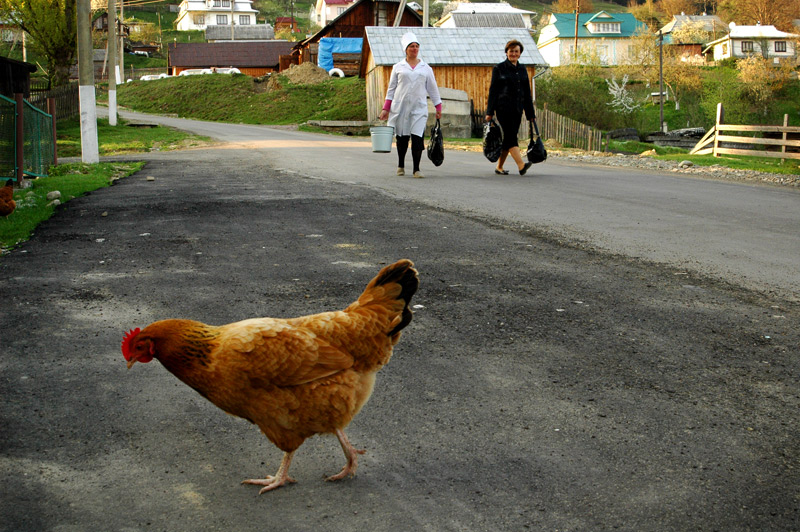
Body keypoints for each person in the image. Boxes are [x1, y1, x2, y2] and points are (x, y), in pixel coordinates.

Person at [379, 32, 443, 179]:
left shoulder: (425, 68)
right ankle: (401, 165)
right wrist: (385, 109)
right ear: (406, 50)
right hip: (400, 108)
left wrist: (438, 106)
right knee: (402, 138)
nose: (414, 49)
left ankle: (416, 169)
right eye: (411, 47)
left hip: (418, 108)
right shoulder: (398, 67)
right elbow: (391, 89)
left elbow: (433, 89)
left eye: (416, 46)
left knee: (417, 138)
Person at [485, 39, 536, 176]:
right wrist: (489, 111)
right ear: (506, 52)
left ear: (520, 54)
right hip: (503, 109)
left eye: (516, 51)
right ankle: (521, 165)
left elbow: (526, 92)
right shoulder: (499, 68)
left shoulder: (522, 69)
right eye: (511, 51)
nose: (513, 53)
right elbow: (493, 91)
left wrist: (530, 113)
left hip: (517, 110)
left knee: (508, 138)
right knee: (511, 136)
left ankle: (499, 167)